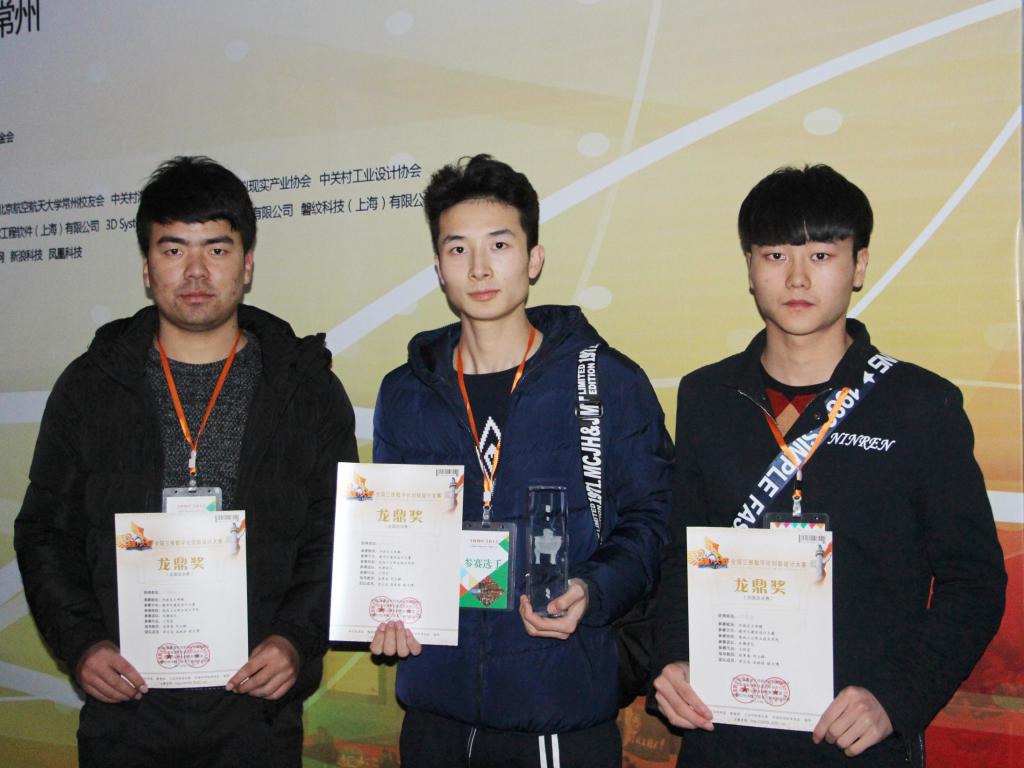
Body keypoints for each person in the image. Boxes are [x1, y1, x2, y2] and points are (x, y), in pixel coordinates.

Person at [651, 165, 1006, 766]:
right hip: (725, 733)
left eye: (820, 255)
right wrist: (673, 660)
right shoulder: (707, 396)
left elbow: (975, 582)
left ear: (859, 265)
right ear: (749, 267)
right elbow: (678, 557)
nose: (796, 277)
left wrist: (896, 699)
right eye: (775, 255)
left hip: (856, 741)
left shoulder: (920, 405)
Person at [14, 156, 358, 767]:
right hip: (127, 711)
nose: (196, 271)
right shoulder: (91, 386)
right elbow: (45, 531)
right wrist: (83, 644)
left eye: (217, 249)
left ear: (247, 265)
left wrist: (294, 640)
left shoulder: (303, 389)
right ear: (147, 269)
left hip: (256, 712)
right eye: (173, 250)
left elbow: (334, 533)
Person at [372, 154, 672, 767]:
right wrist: (385, 605)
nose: (479, 268)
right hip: (434, 715)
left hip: (557, 708)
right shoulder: (405, 392)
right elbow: (388, 534)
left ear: (534, 259)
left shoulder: (605, 381)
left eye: (500, 245)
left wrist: (593, 587)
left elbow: (654, 517)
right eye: (458, 249)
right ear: (438, 269)